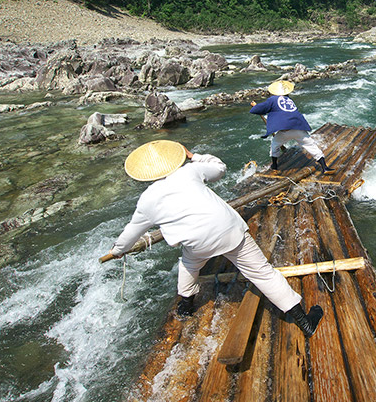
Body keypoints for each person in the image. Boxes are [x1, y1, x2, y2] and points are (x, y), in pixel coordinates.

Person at [105, 139, 323, 336]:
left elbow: (131, 231)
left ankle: (186, 305)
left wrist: (117, 251)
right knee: (263, 274)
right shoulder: (188, 172)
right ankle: (305, 323)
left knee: (189, 265)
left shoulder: (146, 201)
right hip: (228, 229)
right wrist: (194, 157)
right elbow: (220, 169)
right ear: (173, 159)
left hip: (197, 244)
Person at [249, 80, 335, 174]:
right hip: (299, 129)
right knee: (311, 146)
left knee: (274, 145)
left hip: (285, 131)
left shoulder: (273, 99)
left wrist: (255, 106)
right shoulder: (290, 100)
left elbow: (258, 110)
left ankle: (274, 166)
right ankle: (324, 167)